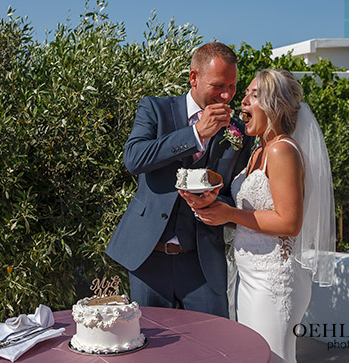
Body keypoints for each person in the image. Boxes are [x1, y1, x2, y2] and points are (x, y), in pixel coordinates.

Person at [194, 69, 336, 363]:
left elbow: (289, 223)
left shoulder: (283, 150)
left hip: (273, 281)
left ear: (276, 104)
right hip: (249, 275)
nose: (242, 101)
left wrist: (229, 214)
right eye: (245, 94)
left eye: (253, 95)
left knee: (274, 358)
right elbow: (253, 211)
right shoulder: (259, 150)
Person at [105, 42, 255, 318]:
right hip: (148, 258)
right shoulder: (155, 109)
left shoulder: (239, 132)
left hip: (202, 262)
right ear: (194, 78)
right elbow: (134, 158)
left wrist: (215, 201)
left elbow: (237, 192)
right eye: (218, 85)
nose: (226, 95)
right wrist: (195, 134)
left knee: (213, 350)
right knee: (151, 351)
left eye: (232, 86)